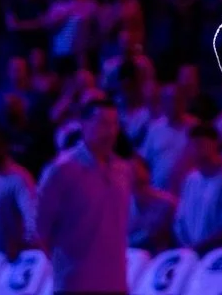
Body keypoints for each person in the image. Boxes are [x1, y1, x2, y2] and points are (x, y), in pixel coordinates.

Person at [35, 95, 132, 294]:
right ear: (84, 124)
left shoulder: (123, 169)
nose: (111, 131)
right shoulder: (61, 170)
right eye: (103, 123)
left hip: (115, 283)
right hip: (75, 284)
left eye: (114, 124)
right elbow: (40, 229)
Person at [173, 125, 222, 253]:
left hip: (217, 253)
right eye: (193, 145)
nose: (196, 150)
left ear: (214, 144)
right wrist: (188, 246)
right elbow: (180, 219)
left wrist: (204, 246)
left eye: (201, 144)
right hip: (190, 251)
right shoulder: (191, 179)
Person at [0, 129, 36, 261]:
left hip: (7, 262)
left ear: (5, 147)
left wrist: (24, 244)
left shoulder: (18, 178)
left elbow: (32, 220)